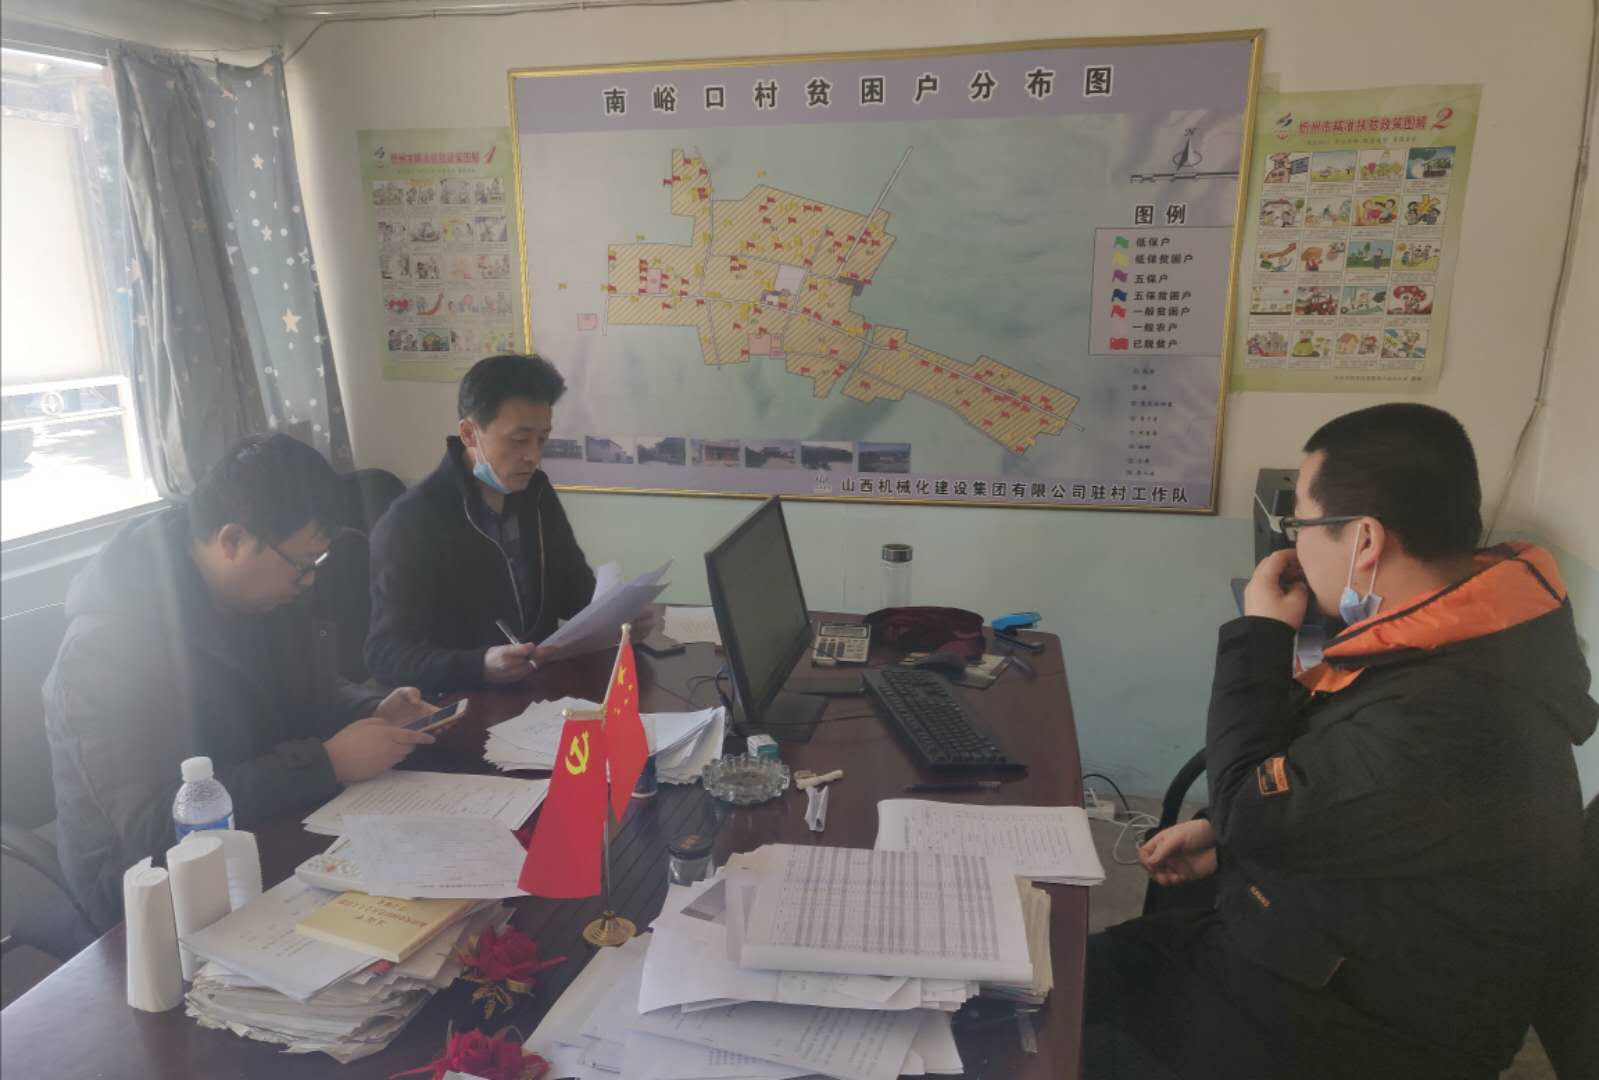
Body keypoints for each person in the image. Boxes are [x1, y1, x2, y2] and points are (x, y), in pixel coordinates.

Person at [1085, 404, 1596, 1080]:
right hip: (1307, 947)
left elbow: (1260, 806)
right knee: (1052, 976)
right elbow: (1344, 790)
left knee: (1033, 1043)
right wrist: (1222, 834)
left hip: (1354, 1031)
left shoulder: (1453, 711)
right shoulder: (1455, 633)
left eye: (1298, 526)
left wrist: (1260, 637)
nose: (1292, 548)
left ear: (1364, 539)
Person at [44, 434, 436, 930]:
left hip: (268, 830)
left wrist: (371, 709)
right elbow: (150, 828)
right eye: (301, 565)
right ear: (231, 541)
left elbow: (312, 692)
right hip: (150, 896)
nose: (309, 581)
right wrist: (327, 762)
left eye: (316, 565)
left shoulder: (264, 595)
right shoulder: (106, 649)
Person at [366, 353, 649, 695]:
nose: (533, 456)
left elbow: (574, 592)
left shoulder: (535, 493)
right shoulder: (412, 521)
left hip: (542, 691)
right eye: (519, 439)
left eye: (542, 439)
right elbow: (386, 655)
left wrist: (618, 618)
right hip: (467, 699)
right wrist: (479, 665)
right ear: (469, 433)